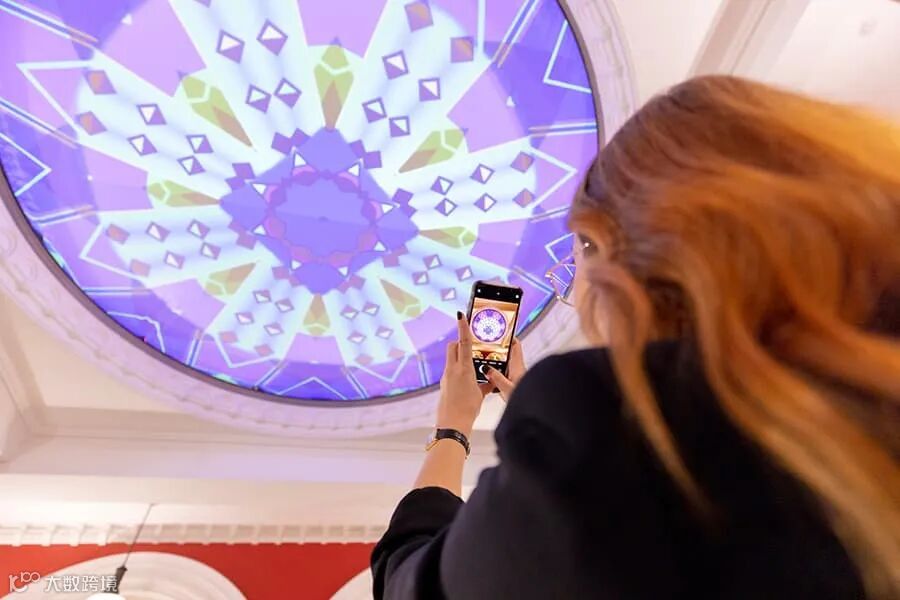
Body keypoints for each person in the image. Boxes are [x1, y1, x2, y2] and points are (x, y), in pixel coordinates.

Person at [371, 75, 900, 599]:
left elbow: (410, 585)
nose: (580, 290)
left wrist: (454, 427)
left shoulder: (587, 420)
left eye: (581, 251)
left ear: (618, 252)